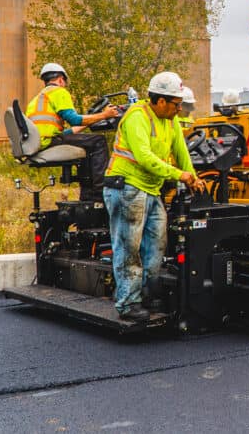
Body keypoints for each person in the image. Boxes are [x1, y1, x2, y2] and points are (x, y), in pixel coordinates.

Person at [102, 71, 207, 321]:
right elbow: (144, 157)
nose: (179, 108)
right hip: (126, 188)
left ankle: (146, 294)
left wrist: (194, 178)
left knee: (157, 244)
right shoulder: (137, 117)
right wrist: (180, 175)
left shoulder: (170, 121)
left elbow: (181, 152)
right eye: (176, 104)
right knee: (129, 247)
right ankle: (128, 303)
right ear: (160, 101)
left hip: (150, 189)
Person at [24, 62, 118, 205]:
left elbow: (65, 133)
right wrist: (105, 115)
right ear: (61, 79)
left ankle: (87, 196)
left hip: (42, 141)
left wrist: (91, 119)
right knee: (98, 141)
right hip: (49, 141)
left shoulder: (37, 99)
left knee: (88, 144)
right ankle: (100, 193)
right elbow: (74, 120)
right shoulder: (59, 92)